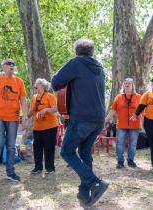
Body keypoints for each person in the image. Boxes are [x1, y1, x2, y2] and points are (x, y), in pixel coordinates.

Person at [51, 38, 108, 207]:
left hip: (81, 117)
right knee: (84, 152)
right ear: (91, 52)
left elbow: (55, 83)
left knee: (67, 152)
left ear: (77, 51)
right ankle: (85, 193)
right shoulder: (100, 68)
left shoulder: (76, 63)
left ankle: (95, 182)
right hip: (98, 118)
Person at [0, 59, 27, 185]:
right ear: (3, 67)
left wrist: (24, 117)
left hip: (13, 119)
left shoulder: (19, 81)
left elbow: (23, 100)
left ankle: (10, 173)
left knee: (11, 146)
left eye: (13, 64)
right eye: (9, 64)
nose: (12, 66)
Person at [104, 78, 141, 169]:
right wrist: (105, 120)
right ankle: (120, 162)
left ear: (133, 86)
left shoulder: (139, 97)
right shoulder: (118, 97)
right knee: (120, 144)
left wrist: (144, 125)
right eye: (125, 83)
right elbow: (112, 111)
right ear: (123, 86)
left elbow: (143, 111)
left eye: (129, 83)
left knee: (132, 144)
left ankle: (130, 160)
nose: (127, 85)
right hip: (121, 126)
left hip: (135, 125)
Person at [26, 78, 58, 174]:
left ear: (43, 86)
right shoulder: (34, 98)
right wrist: (25, 118)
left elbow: (55, 109)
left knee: (49, 148)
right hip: (37, 128)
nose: (35, 85)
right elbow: (32, 111)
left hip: (50, 127)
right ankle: (38, 168)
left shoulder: (50, 96)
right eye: (35, 84)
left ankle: (50, 168)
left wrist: (45, 110)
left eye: (37, 84)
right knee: (37, 148)